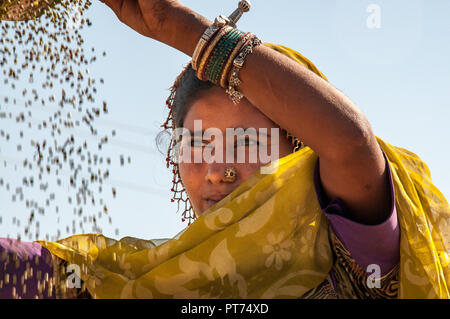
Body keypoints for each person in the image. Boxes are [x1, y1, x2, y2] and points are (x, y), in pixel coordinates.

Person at [1, 0, 449, 299]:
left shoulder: (349, 257)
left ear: (297, 151)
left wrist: (185, 31)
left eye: (248, 142)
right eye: (195, 143)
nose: (217, 169)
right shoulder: (127, 280)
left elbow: (350, 146)